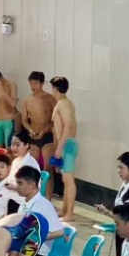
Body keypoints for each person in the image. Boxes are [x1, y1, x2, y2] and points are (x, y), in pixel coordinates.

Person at [21, 71, 56, 189]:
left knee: (47, 169)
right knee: (32, 169)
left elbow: (55, 120)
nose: (33, 86)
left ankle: (48, 197)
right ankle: (34, 194)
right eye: (31, 83)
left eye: (35, 83)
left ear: (42, 84)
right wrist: (30, 130)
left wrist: (45, 130)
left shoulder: (50, 99)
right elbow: (24, 120)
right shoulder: (27, 100)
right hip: (34, 135)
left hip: (47, 135)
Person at [50, 76, 78, 214]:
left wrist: (60, 148)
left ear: (55, 89)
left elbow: (68, 126)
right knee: (66, 179)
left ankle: (69, 213)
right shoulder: (65, 103)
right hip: (66, 144)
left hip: (67, 145)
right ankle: (65, 211)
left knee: (68, 179)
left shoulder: (63, 104)